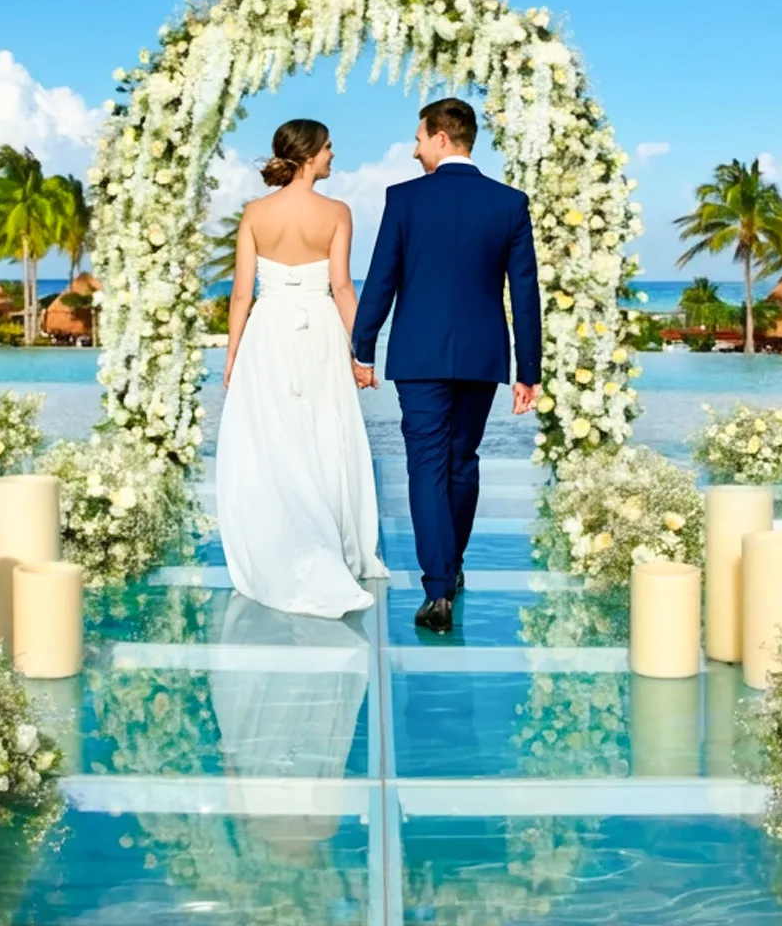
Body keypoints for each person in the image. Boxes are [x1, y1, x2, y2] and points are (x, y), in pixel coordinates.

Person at [351, 98, 542, 634]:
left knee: (428, 465)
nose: (414, 150)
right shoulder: (509, 203)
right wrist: (529, 369)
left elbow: (381, 277)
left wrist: (362, 347)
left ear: (440, 138)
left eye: (417, 139)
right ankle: (449, 569)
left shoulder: (404, 200)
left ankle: (438, 589)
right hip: (483, 356)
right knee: (462, 461)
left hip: (418, 355)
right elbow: (524, 293)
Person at [214, 118, 387, 618]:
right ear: (310, 154)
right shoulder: (336, 212)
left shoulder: (255, 213)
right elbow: (341, 288)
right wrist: (361, 353)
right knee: (322, 433)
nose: (334, 155)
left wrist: (233, 354)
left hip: (267, 332)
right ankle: (328, 543)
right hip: (319, 333)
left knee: (272, 439)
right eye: (329, 147)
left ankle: (284, 539)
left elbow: (242, 293)